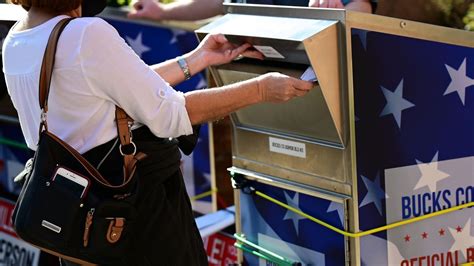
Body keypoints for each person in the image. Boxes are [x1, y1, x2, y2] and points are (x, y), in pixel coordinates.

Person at [2, 0, 313, 265]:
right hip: (139, 215)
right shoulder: (84, 35)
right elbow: (172, 115)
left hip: (80, 221)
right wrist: (261, 88)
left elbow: (118, 88)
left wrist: (196, 60)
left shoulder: (17, 39)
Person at [128, 0, 374, 21]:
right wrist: (162, 11)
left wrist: (337, 15)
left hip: (318, 86)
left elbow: (361, 10)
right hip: (253, 83)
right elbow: (220, 3)